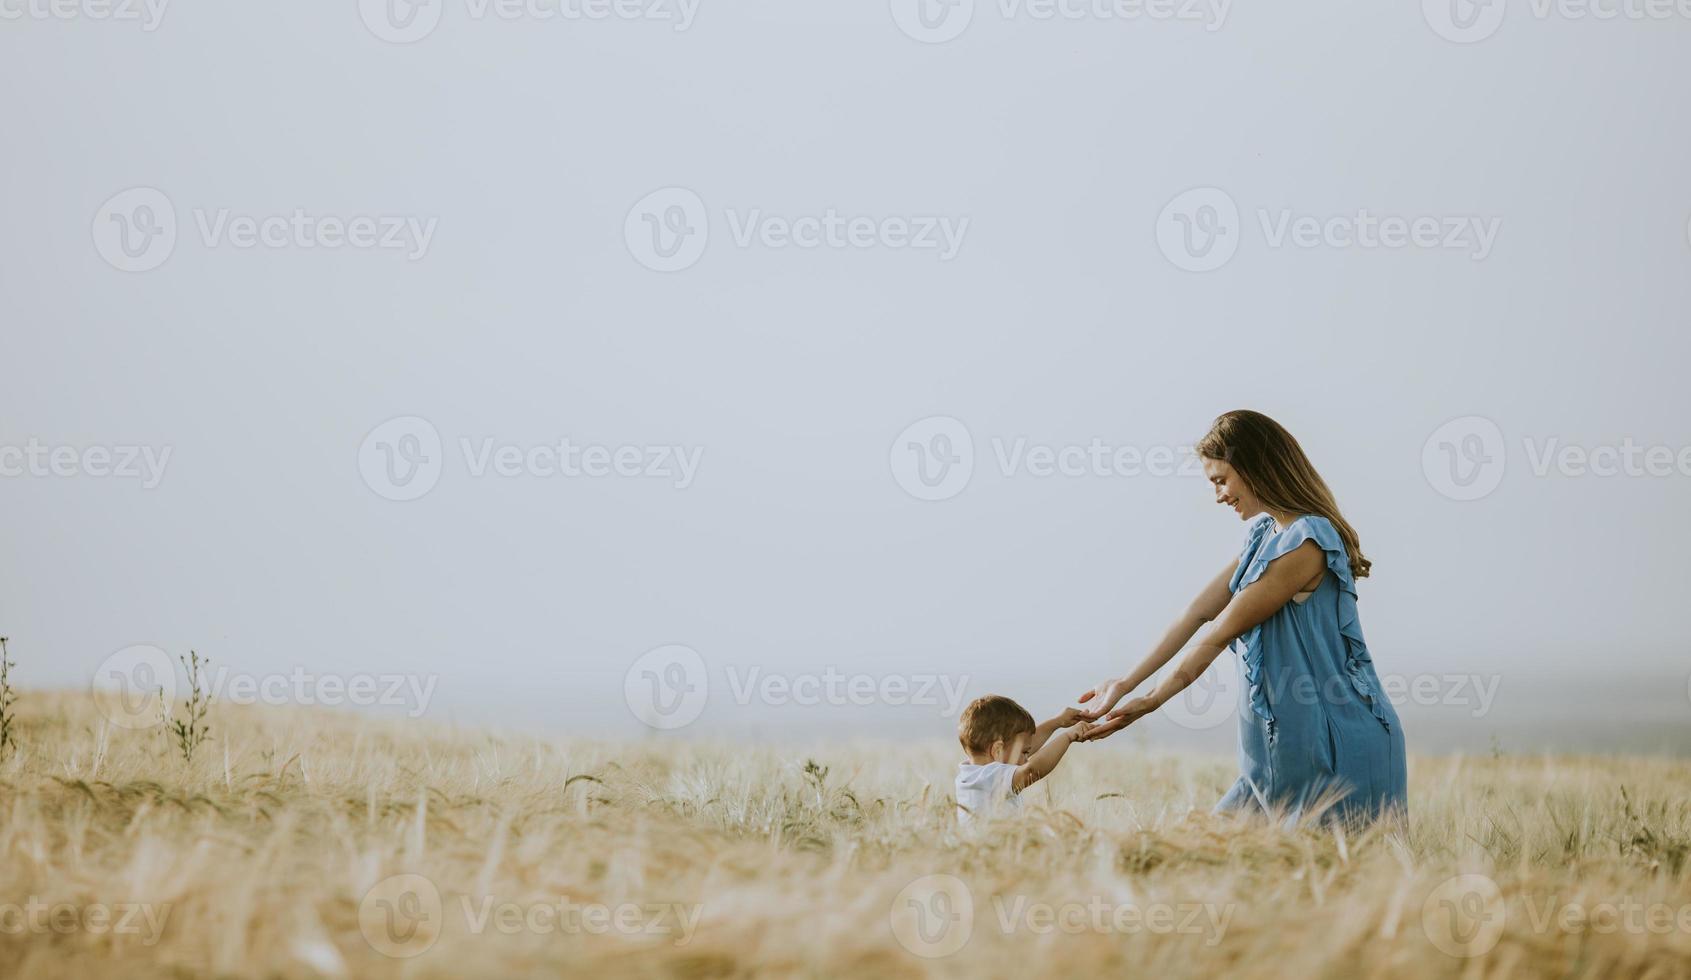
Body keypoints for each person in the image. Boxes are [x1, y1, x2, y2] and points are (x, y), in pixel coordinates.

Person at [1078, 410, 1407, 825]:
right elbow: (1197, 613)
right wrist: (1124, 684)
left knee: (1330, 881)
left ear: (1255, 468)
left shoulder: (1308, 542)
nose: (1218, 495)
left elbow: (1221, 631)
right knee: (1215, 862)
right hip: (1276, 750)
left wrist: (1152, 701)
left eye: (1221, 480)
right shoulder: (1262, 536)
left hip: (1335, 746)